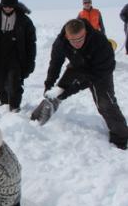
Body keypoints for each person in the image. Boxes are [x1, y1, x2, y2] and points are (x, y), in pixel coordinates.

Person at [38, 18, 128, 149]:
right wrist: (49, 84)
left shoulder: (100, 42)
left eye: (80, 39)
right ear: (66, 36)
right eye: (72, 40)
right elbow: (55, 64)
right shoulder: (61, 42)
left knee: (105, 103)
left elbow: (97, 74)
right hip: (78, 66)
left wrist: (74, 88)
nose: (76, 44)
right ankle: (38, 119)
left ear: (85, 32)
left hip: (100, 72)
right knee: (56, 91)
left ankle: (121, 138)